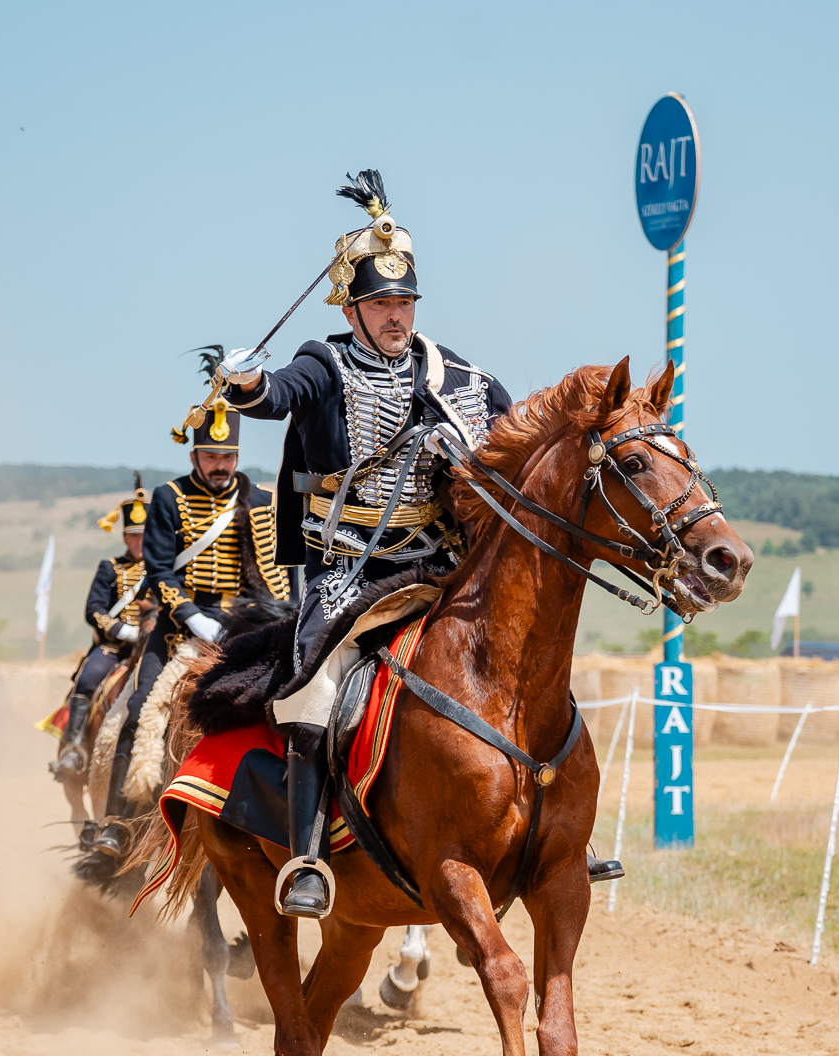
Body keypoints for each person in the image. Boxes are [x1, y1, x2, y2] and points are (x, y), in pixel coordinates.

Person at [217, 171, 510, 917]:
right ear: (352, 306)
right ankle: (309, 858)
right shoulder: (325, 361)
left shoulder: (456, 378)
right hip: (347, 572)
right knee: (314, 688)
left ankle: (544, 831)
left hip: (435, 567)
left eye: (405, 301)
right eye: (382, 302)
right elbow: (275, 394)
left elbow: (516, 438)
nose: (396, 315)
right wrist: (245, 385)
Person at [87, 368, 289, 861]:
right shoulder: (168, 499)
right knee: (139, 709)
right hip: (182, 628)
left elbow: (276, 573)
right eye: (211, 455)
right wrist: (195, 618)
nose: (220, 464)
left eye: (227, 456)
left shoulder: (260, 501)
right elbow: (158, 570)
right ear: (194, 455)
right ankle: (115, 822)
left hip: (246, 630)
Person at [49, 476, 150, 779]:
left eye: (144, 535)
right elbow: (93, 610)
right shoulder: (110, 567)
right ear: (124, 537)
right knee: (88, 678)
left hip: (154, 645)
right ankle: (75, 748)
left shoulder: (163, 571)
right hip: (114, 646)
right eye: (133, 535)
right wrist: (123, 631)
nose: (138, 541)